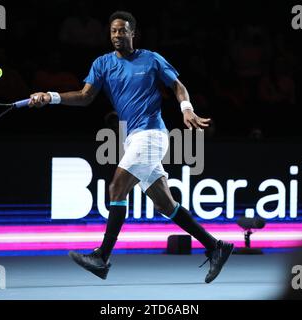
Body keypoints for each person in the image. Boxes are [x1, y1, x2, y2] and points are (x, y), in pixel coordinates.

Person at [28, 11, 234, 283]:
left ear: (132, 33)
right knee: (164, 204)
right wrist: (51, 96)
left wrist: (186, 108)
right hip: (133, 138)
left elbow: (178, 85)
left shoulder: (151, 59)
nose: (117, 36)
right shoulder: (102, 64)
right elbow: (84, 96)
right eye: (113, 31)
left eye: (122, 31)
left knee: (116, 188)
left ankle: (102, 257)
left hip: (152, 135)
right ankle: (215, 246)